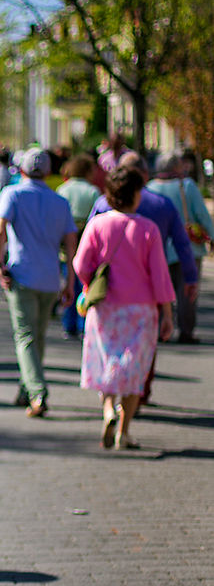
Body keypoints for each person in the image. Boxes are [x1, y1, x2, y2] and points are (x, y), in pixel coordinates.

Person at [73, 165, 174, 450]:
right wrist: (167, 313)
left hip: (105, 306)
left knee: (108, 361)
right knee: (133, 369)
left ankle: (107, 410)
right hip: (141, 309)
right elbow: (160, 276)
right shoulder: (148, 229)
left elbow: (80, 264)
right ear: (136, 195)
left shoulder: (98, 224)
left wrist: (88, 284)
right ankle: (124, 431)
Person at [0, 147, 78, 417]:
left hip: (22, 273)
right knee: (37, 337)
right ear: (49, 172)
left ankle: (38, 392)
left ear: (22, 170)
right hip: (50, 277)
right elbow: (71, 244)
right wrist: (70, 281)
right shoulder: (60, 202)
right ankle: (26, 389)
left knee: (26, 336)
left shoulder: (13, 194)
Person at [147, 151, 213, 344]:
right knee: (187, 293)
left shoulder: (149, 189)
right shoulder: (188, 186)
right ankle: (186, 331)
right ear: (177, 167)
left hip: (158, 249)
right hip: (188, 248)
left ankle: (160, 328)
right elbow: (202, 216)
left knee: (159, 290)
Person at [57, 154, 101, 339]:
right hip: (86, 244)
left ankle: (69, 324)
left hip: (65, 244)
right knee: (85, 285)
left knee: (69, 283)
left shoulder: (62, 189)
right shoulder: (93, 191)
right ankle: (84, 323)